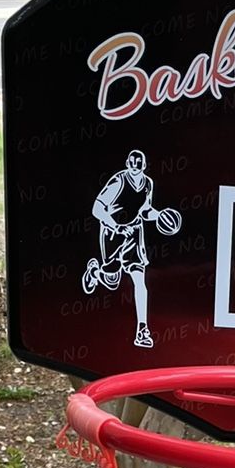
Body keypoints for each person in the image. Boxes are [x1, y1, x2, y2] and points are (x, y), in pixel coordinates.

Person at [82, 150, 168, 349]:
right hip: (113, 233)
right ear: (127, 163)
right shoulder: (118, 182)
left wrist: (159, 216)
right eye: (132, 160)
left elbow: (145, 210)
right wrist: (117, 227)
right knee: (111, 282)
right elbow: (97, 208)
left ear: (144, 165)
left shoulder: (148, 184)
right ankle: (95, 271)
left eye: (140, 161)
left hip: (135, 234)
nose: (136, 164)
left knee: (140, 281)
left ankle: (142, 330)